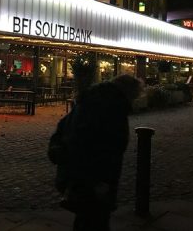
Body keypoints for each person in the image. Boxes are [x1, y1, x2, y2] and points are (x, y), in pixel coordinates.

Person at [49, 74, 143, 231]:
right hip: (95, 180)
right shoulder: (114, 109)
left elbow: (63, 128)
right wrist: (101, 182)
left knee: (84, 218)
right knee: (95, 219)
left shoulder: (88, 100)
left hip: (78, 174)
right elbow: (109, 148)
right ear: (128, 93)